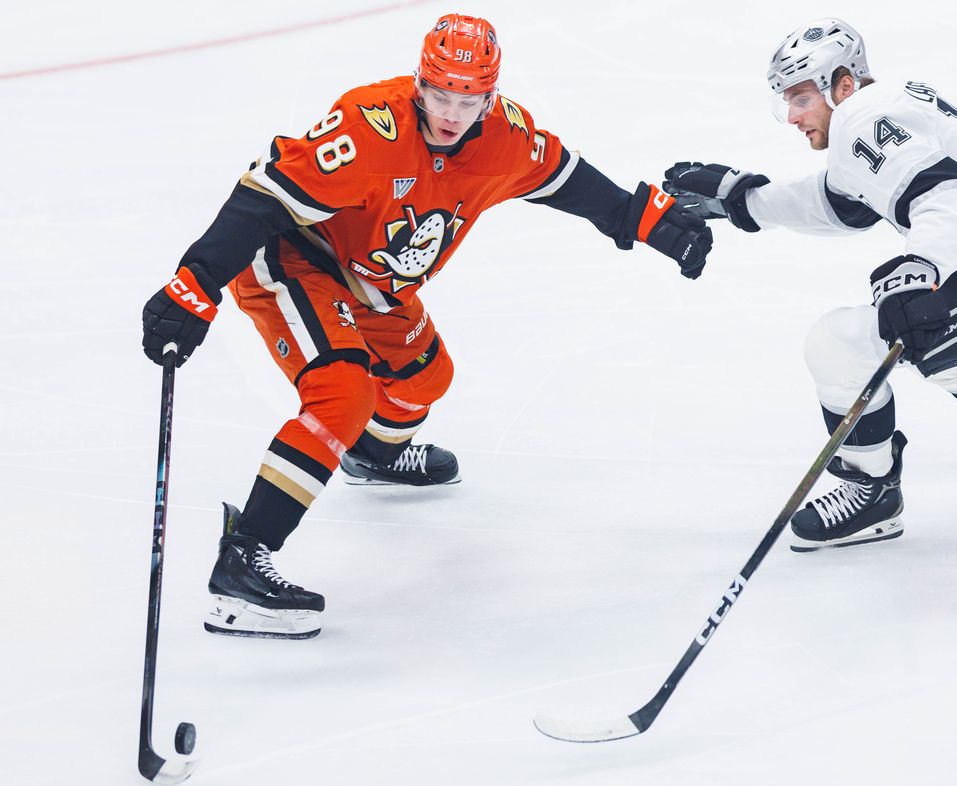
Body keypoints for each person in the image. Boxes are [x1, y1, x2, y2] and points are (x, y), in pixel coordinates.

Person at [141, 13, 712, 638]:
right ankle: (242, 562)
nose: (451, 112)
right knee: (344, 392)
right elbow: (263, 198)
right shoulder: (368, 128)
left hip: (377, 284)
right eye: (440, 94)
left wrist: (648, 219)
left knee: (425, 379)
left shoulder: (505, 137)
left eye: (468, 100)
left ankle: (373, 455)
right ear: (419, 83)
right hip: (293, 254)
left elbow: (568, 179)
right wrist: (194, 284)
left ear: (489, 98)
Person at [664, 18, 957, 553]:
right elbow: (843, 202)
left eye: (799, 98)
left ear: (842, 84)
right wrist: (744, 201)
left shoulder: (860, 119)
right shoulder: (881, 107)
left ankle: (871, 493)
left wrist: (922, 266)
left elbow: (950, 194)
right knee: (937, 340)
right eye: (784, 103)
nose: (792, 117)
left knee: (840, 342)